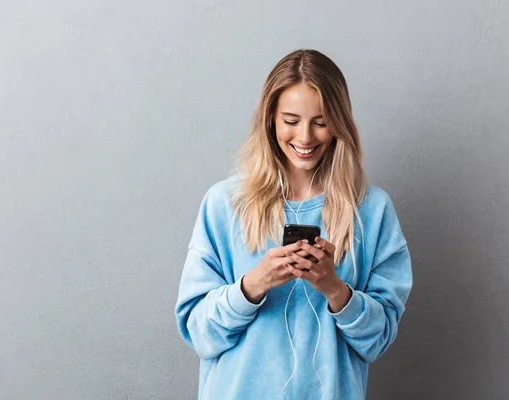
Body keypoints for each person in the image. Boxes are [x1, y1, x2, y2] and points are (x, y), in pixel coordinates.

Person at [175, 49, 413, 400]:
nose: (304, 138)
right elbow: (198, 332)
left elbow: (377, 341)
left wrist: (335, 289)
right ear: (270, 119)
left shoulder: (372, 210)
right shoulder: (224, 204)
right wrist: (254, 285)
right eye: (290, 120)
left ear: (340, 122)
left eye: (320, 122)